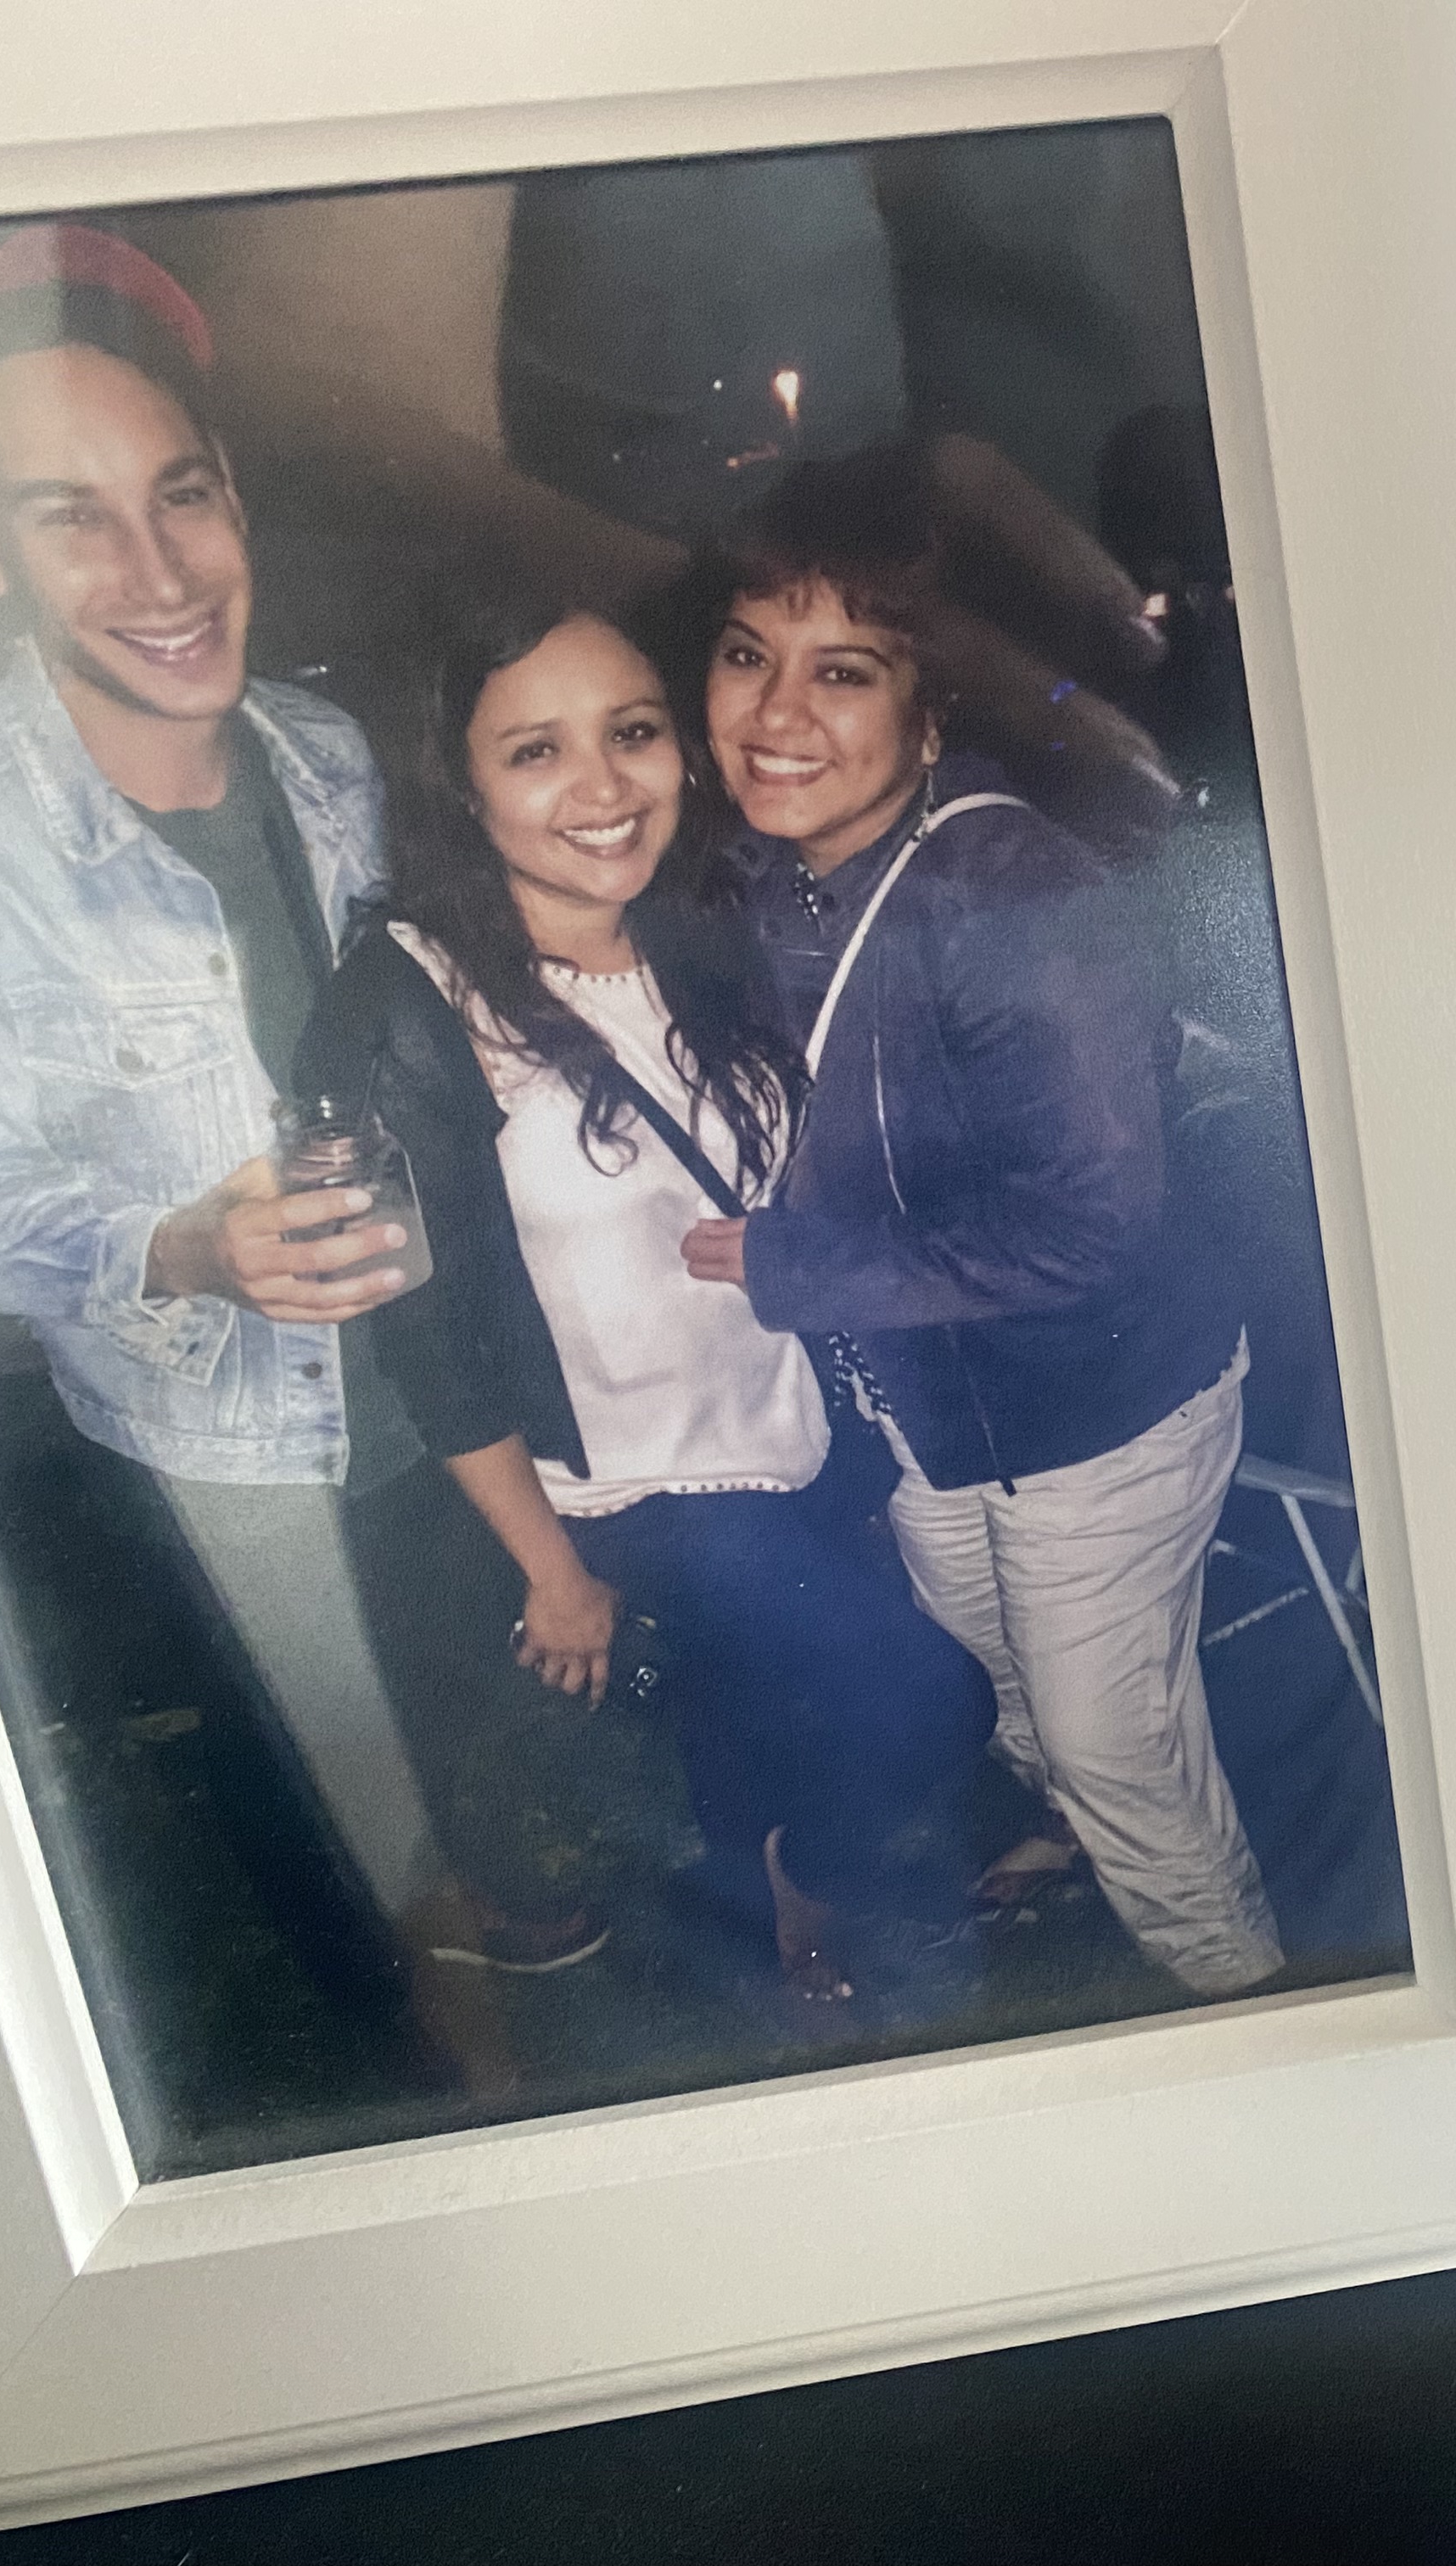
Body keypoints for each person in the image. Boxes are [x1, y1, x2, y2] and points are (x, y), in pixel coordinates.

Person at [0, 224, 595, 1991]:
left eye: (181, 494)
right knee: (343, 1841)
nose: (155, 567)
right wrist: (184, 1246)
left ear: (237, 504)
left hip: (432, 1401)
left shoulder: (325, 754)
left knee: (488, 1768)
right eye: (69, 515)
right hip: (222, 1458)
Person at [294, 594, 992, 1998]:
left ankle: (786, 1909)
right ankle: (783, 1918)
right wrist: (554, 1570)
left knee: (767, 1737)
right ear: (460, 778)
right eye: (536, 751)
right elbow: (420, 1330)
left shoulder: (697, 928)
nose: (602, 787)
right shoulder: (403, 1002)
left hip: (784, 1433)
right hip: (619, 1487)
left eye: (631, 732)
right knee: (935, 1696)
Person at [675, 452, 1285, 2000]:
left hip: (1102, 1411)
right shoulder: (762, 874)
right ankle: (1082, 1829)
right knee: (999, 1682)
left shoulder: (1012, 898)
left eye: (843, 671)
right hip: (929, 1411)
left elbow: (1087, 1226)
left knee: (1111, 1740)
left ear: (928, 709)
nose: (776, 712)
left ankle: (1244, 2007)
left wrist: (794, 1266)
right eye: (748, 654)